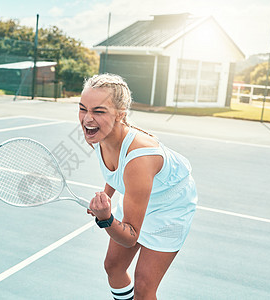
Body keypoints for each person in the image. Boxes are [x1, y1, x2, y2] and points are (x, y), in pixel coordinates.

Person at [79, 73, 197, 300]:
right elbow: (115, 170)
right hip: (140, 195)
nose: (87, 119)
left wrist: (106, 218)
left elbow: (131, 236)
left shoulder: (139, 159)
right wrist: (107, 194)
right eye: (83, 108)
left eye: (98, 111)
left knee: (144, 288)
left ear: (120, 115)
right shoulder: (98, 135)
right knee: (113, 267)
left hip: (170, 208)